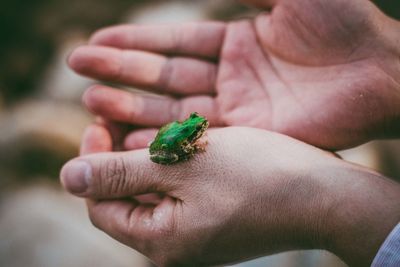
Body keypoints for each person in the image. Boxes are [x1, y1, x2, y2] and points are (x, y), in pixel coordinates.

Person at [60, 0, 400, 266]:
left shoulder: (194, 129)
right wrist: (389, 61)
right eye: (200, 124)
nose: (202, 124)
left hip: (169, 136)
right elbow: (175, 141)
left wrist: (325, 206)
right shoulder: (191, 132)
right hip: (166, 144)